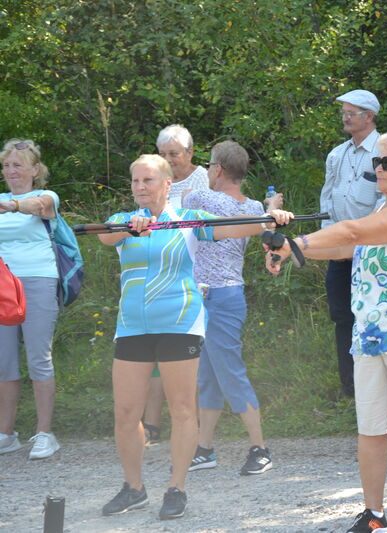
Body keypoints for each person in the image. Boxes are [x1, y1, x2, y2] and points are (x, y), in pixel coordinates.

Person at [268, 129, 387, 533]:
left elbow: (351, 233)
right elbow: (344, 247)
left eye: (386, 162)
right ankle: (374, 515)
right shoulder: (380, 215)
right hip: (370, 336)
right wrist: (292, 250)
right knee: (371, 429)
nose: (378, 168)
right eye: (376, 161)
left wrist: (297, 239)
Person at [98, 154, 286, 520]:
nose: (140, 187)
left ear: (168, 184)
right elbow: (106, 237)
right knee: (125, 414)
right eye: (135, 181)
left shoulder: (186, 220)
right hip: (133, 325)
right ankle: (133, 488)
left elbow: (235, 227)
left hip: (179, 322)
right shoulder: (122, 220)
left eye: (148, 180)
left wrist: (269, 219)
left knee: (183, 409)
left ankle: (176, 487)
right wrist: (130, 228)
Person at [182, 141, 274, 476]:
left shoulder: (201, 198)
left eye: (209, 166)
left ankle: (260, 447)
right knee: (208, 376)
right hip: (217, 295)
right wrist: (271, 207)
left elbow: (185, 201)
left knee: (229, 372)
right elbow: (259, 219)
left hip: (217, 297)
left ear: (218, 170)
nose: (206, 171)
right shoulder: (252, 207)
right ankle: (204, 448)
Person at [142, 124, 211, 443]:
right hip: (156, 270)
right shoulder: (151, 177)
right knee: (153, 348)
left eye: (175, 154)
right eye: (163, 154)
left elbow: (210, 228)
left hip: (194, 268)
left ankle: (189, 424)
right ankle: (152, 422)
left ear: (190, 152)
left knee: (185, 351)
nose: (169, 159)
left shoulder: (204, 180)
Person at [320, 89, 383, 397]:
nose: (345, 117)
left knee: (373, 314)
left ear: (369, 116)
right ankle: (351, 387)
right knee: (343, 316)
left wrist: (363, 242)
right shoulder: (337, 154)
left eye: (351, 113)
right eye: (343, 112)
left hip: (373, 252)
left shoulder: (385, 150)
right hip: (340, 253)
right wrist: (330, 244)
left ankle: (378, 385)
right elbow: (328, 201)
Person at [0, 139, 61, 460]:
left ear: (34, 169)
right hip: (3, 286)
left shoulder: (46, 197)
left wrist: (12, 205)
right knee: (4, 360)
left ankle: (45, 433)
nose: (11, 171)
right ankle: (6, 433)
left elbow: (40, 209)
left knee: (39, 356)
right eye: (7, 165)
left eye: (18, 164)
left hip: (39, 280)